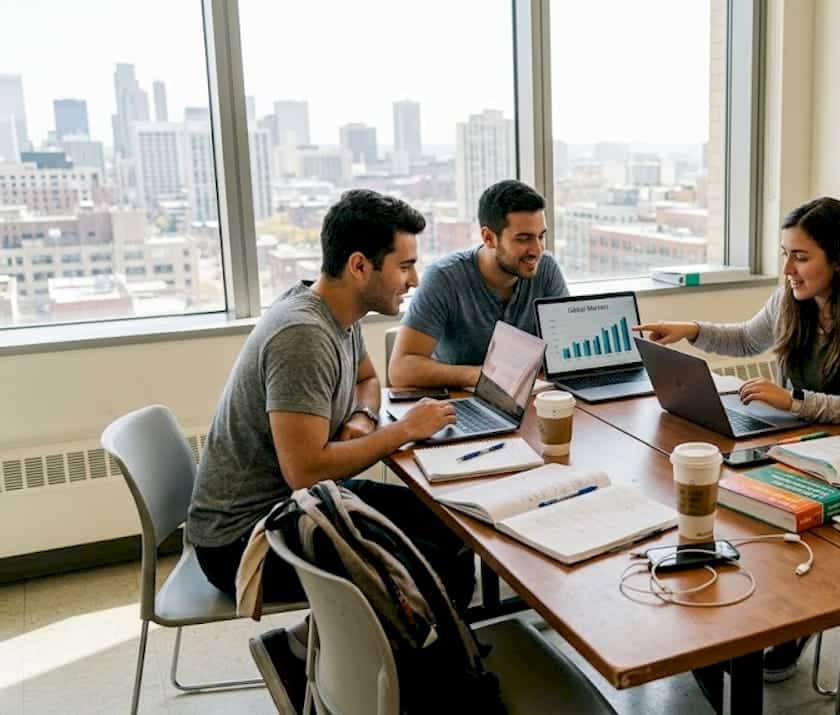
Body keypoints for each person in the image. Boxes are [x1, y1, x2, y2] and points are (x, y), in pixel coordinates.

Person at [187, 189, 474, 715]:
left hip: (306, 503)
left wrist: (361, 422)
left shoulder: (335, 312)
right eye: (405, 266)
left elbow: (367, 379)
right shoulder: (303, 335)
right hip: (244, 539)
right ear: (360, 265)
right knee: (429, 566)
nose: (414, 279)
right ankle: (403, 684)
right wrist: (404, 430)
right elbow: (305, 471)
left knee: (449, 531)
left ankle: (305, 646)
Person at [638, 196, 840, 682]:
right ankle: (746, 622)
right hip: (800, 443)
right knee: (732, 502)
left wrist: (793, 403)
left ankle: (792, 618)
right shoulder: (792, 299)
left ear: (839, 258)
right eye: (784, 253)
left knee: (754, 512)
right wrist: (690, 330)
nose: (788, 268)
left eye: (801, 256)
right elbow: (748, 339)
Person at [390, 179, 568, 388]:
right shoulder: (444, 278)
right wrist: (485, 376)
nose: (537, 250)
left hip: (530, 400)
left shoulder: (546, 269)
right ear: (489, 237)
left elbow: (566, 350)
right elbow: (401, 370)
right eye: (523, 238)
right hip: (460, 404)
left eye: (541, 236)